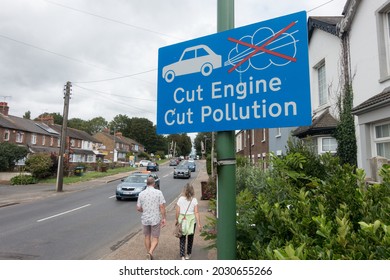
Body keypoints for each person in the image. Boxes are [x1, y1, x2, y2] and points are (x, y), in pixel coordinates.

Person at [137, 176, 166, 260]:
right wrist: (164, 218)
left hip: (145, 218)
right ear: (154, 183)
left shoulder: (141, 194)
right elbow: (161, 207)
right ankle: (150, 252)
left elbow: (138, 208)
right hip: (155, 218)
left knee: (147, 236)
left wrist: (144, 210)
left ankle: (148, 254)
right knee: (155, 238)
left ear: (146, 184)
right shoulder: (158, 193)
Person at [175, 183, 201, 260]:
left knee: (182, 237)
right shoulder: (194, 200)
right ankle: (188, 254)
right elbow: (196, 212)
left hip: (182, 220)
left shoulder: (180, 199)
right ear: (192, 191)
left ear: (184, 190)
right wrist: (199, 223)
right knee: (190, 237)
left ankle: (182, 255)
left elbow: (177, 212)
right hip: (192, 221)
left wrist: (176, 219)